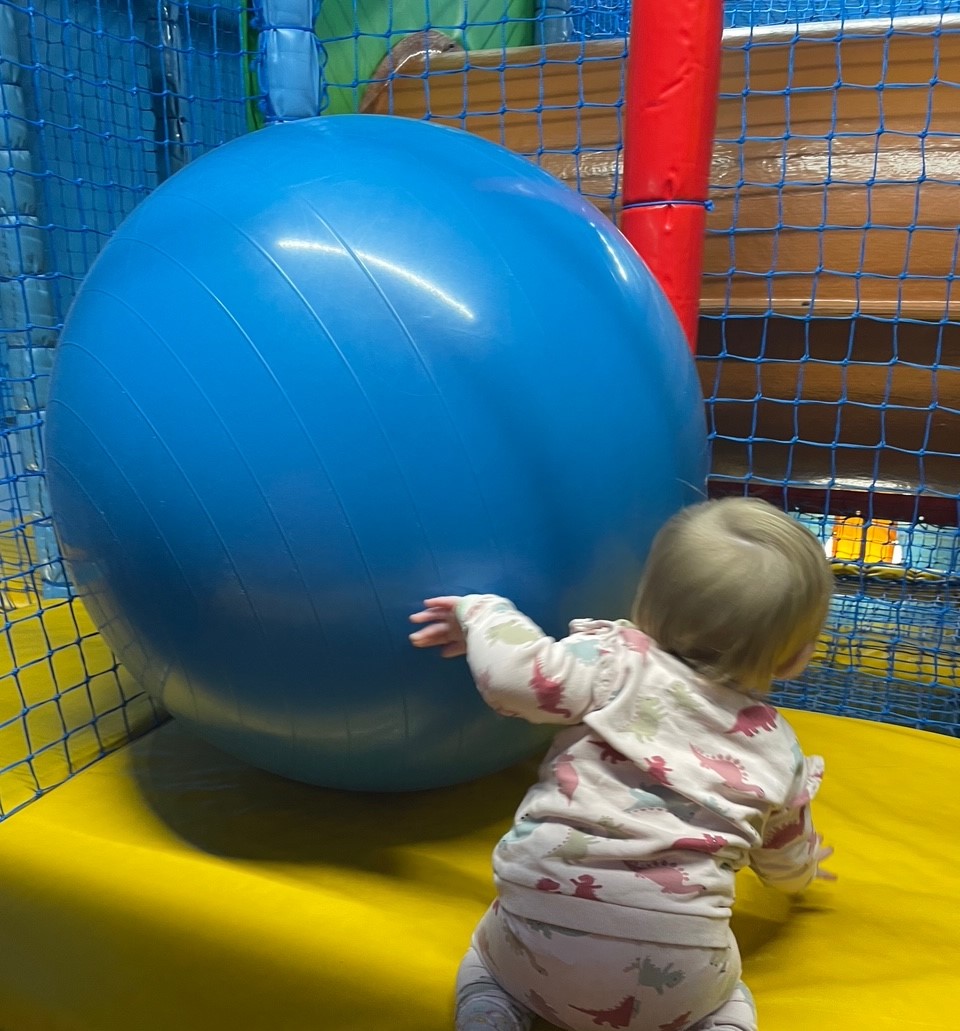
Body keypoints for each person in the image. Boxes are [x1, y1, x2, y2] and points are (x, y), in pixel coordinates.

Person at [408, 497, 836, 1031]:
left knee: (486, 959)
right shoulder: (779, 750)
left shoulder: (612, 663)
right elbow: (784, 863)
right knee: (729, 999)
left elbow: (515, 679)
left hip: (535, 939)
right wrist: (805, 870)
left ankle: (491, 1008)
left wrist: (482, 613)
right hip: (680, 974)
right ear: (795, 657)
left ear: (644, 602)